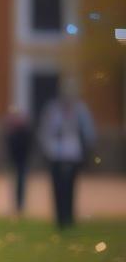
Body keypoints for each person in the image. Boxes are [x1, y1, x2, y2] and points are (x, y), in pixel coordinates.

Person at [37, 83, 96, 229]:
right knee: (57, 186)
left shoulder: (80, 110)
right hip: (55, 152)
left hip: (73, 152)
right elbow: (45, 130)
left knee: (70, 186)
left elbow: (88, 131)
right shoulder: (52, 110)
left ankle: (69, 215)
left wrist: (87, 149)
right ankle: (59, 217)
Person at [3, 109, 33, 217]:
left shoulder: (24, 132)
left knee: (21, 183)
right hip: (16, 160)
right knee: (17, 183)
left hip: (22, 160)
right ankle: (17, 205)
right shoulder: (12, 133)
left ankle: (20, 205)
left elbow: (28, 146)